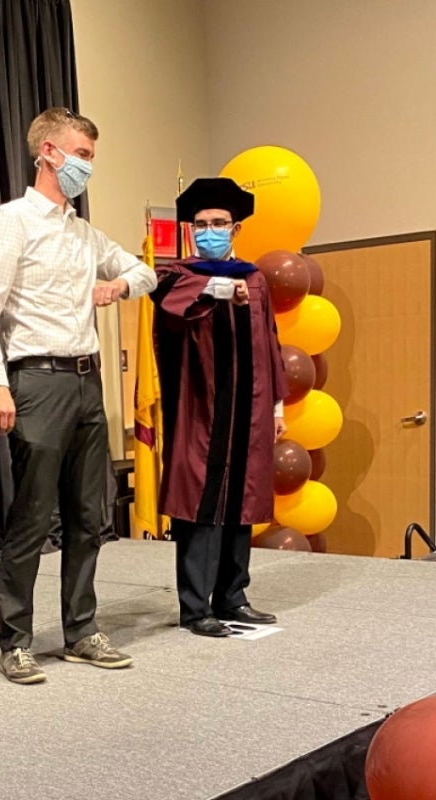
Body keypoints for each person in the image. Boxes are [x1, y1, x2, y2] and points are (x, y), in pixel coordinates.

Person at [0, 107, 158, 684]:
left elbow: (144, 273)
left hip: (85, 379)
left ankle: (81, 630)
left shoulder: (83, 233)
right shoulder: (12, 222)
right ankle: (16, 640)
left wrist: (118, 284)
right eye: (82, 155)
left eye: (91, 157)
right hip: (36, 379)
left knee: (85, 514)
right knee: (32, 516)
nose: (86, 166)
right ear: (48, 151)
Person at [151, 177, 290, 637]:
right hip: (201, 411)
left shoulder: (255, 279)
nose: (211, 230)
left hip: (248, 411)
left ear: (236, 230)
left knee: (241, 501)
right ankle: (196, 607)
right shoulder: (179, 277)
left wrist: (275, 407)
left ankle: (233, 597)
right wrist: (214, 291)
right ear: (192, 230)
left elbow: (269, 341)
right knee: (200, 503)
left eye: (220, 223)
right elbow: (172, 316)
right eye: (203, 224)